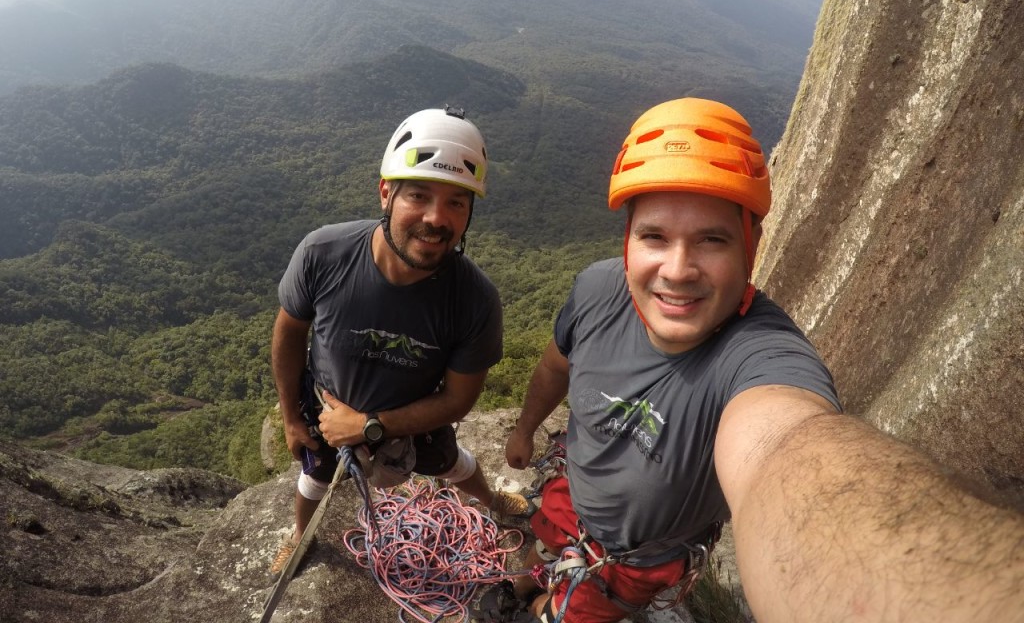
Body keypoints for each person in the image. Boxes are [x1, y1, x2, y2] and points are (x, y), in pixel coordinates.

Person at [488, 98, 1024, 623]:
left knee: (569, 613)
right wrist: (524, 430)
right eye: (655, 236)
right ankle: (521, 587)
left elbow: (785, 447)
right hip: (569, 496)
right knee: (540, 552)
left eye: (712, 240)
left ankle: (537, 610)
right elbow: (557, 365)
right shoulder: (596, 290)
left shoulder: (756, 356)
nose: (677, 270)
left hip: (633, 562)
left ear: (751, 245)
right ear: (628, 239)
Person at [270, 106, 529, 574]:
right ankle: (299, 538)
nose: (436, 218)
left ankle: (492, 499)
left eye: (457, 202)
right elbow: (289, 335)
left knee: (451, 462)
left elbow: (457, 400)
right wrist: (292, 419)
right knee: (314, 476)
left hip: (412, 420)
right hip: (328, 414)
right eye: (418, 195)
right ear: (386, 193)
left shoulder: (474, 300)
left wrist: (369, 425)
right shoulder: (323, 255)